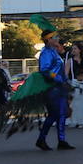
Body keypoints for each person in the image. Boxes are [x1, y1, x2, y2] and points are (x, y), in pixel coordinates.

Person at [32, 15, 75, 151]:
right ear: (48, 40)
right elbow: (44, 70)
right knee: (58, 114)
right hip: (52, 88)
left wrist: (64, 80)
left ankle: (49, 140)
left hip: (58, 87)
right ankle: (56, 140)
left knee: (57, 115)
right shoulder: (46, 53)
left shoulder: (53, 52)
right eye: (54, 37)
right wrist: (57, 79)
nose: (57, 39)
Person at [65, 43, 83, 128]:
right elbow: (65, 74)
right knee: (75, 104)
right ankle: (76, 120)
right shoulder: (70, 61)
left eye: (75, 48)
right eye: (72, 49)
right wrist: (67, 83)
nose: (73, 50)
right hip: (74, 84)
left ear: (80, 50)